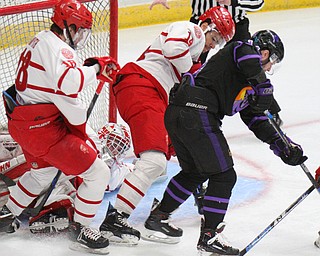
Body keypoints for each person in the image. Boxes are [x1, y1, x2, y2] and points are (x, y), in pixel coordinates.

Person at [142, 29, 307, 255]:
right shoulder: (244, 51)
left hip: (181, 113)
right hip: (196, 112)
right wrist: (262, 83)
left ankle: (158, 216)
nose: (269, 69)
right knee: (224, 175)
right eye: (272, 62)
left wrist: (284, 147)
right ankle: (210, 236)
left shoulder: (248, 82)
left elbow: (256, 120)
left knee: (195, 172)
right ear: (265, 52)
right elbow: (243, 49)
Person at [98, 6, 235, 245]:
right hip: (142, 87)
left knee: (178, 152)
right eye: (215, 38)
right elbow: (173, 48)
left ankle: (162, 212)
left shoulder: (194, 55)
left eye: (218, 42)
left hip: (151, 94)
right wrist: (192, 73)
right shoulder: (191, 29)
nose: (213, 45)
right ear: (207, 25)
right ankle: (115, 218)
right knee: (154, 161)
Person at [0, 0, 119, 254]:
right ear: (69, 26)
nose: (82, 36)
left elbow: (61, 85)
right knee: (98, 173)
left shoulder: (41, 39)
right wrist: (96, 68)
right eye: (81, 30)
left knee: (42, 173)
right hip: (43, 131)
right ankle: (83, 229)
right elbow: (70, 84)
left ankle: (6, 213)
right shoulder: (59, 50)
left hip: (22, 124)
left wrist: (91, 70)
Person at [0, 123, 133, 234]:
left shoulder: (112, 169)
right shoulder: (89, 137)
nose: (114, 149)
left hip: (53, 184)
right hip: (38, 169)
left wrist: (134, 168)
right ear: (104, 135)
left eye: (119, 148)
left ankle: (52, 214)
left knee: (68, 195)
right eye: (114, 143)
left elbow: (119, 175)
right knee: (37, 167)